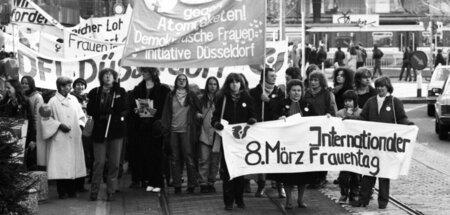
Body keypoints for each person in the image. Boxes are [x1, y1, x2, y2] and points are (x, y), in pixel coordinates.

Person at [351, 76, 414, 209]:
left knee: (385, 174)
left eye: (382, 86)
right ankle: (363, 199)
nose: (380, 88)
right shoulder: (371, 101)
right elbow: (363, 118)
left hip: (386, 146)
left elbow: (402, 118)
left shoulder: (394, 102)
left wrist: (410, 125)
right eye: (378, 86)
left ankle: (383, 202)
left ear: (388, 87)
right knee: (368, 172)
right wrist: (350, 120)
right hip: (371, 144)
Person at [211, 73, 257, 211]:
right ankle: (228, 201)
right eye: (232, 82)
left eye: (237, 82)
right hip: (228, 141)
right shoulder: (222, 98)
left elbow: (254, 114)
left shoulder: (247, 98)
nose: (234, 84)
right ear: (228, 84)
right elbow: (214, 117)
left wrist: (252, 120)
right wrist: (216, 124)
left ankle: (240, 199)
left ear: (241, 84)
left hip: (242, 141)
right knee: (227, 171)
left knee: (240, 171)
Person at [270, 79, 317, 209]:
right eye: (294, 90)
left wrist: (327, 117)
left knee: (303, 174)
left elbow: (317, 119)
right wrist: (278, 119)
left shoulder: (308, 104)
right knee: (288, 174)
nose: (296, 93)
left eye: (299, 90)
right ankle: (289, 200)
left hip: (303, 145)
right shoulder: (281, 104)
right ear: (289, 92)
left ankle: (301, 200)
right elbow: (272, 118)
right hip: (287, 145)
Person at [40, 76, 86, 199]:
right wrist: (59, 125)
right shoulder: (52, 101)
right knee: (61, 164)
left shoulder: (74, 99)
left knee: (72, 163)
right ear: (61, 87)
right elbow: (46, 119)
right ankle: (62, 191)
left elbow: (81, 116)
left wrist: (80, 126)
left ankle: (72, 190)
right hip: (59, 137)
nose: (71, 87)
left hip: (74, 136)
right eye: (68, 85)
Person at [87, 68, 127, 201]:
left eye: (111, 75)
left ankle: (111, 190)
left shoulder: (120, 91)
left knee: (115, 163)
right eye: (105, 75)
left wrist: (117, 92)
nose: (108, 77)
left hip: (115, 132)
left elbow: (123, 108)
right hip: (99, 132)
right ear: (101, 77)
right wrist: (103, 110)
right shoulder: (95, 92)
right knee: (99, 162)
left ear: (115, 78)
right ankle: (94, 190)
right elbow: (91, 109)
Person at [129, 67, 171, 193]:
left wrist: (156, 113)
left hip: (157, 127)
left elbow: (166, 107)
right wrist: (136, 110)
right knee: (145, 154)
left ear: (152, 73)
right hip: (142, 126)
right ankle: (149, 180)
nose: (143, 74)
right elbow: (132, 103)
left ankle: (158, 181)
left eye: (145, 72)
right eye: (142, 72)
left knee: (157, 155)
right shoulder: (138, 88)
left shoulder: (163, 89)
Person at [161, 74, 202, 194]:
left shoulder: (191, 95)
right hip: (173, 130)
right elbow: (166, 113)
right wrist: (165, 128)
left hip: (187, 131)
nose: (182, 81)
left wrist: (197, 115)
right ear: (176, 82)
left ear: (187, 82)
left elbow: (199, 110)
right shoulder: (170, 95)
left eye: (184, 80)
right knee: (174, 158)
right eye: (180, 79)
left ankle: (192, 184)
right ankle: (177, 185)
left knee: (189, 157)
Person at [249, 68, 285, 197]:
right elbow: (250, 109)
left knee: (276, 157)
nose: (274, 77)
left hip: (274, 129)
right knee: (262, 157)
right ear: (264, 77)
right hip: (259, 129)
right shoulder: (254, 92)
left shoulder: (279, 92)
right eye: (271, 76)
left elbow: (281, 108)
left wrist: (269, 101)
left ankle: (280, 185)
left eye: (275, 75)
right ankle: (261, 184)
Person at [303, 71, 337, 189]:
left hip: (323, 127)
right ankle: (311, 177)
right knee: (311, 152)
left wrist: (329, 115)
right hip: (309, 127)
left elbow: (332, 109)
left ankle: (321, 177)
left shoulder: (327, 93)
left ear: (321, 81)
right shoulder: (306, 94)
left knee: (322, 152)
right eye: (312, 80)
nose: (313, 82)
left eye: (316, 80)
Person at [335, 90, 361, 205]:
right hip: (345, 148)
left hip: (357, 148)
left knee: (356, 175)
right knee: (344, 175)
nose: (347, 103)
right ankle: (344, 193)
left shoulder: (361, 113)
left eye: (350, 101)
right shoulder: (340, 113)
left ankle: (354, 194)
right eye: (345, 101)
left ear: (354, 101)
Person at [198, 77, 221, 193]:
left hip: (217, 134)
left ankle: (211, 182)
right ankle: (203, 183)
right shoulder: (201, 100)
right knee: (204, 159)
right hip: (204, 132)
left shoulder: (222, 100)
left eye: (215, 84)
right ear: (207, 85)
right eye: (210, 84)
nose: (212, 86)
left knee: (215, 160)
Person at [70, 78, 90, 192]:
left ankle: (81, 184)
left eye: (82, 85)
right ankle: (74, 184)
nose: (80, 87)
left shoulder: (87, 98)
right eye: (77, 84)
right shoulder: (71, 98)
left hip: (87, 130)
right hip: (76, 129)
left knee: (84, 155)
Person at [21, 76, 44, 171]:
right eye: (22, 83)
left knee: (31, 161)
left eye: (26, 83)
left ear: (31, 84)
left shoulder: (37, 97)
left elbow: (37, 118)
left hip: (32, 133)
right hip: (22, 132)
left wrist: (34, 138)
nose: (24, 85)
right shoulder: (21, 96)